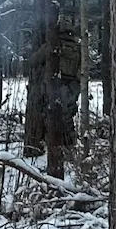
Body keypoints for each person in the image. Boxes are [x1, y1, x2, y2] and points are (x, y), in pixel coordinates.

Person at [27, 19, 82, 151]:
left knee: (51, 114)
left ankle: (58, 144)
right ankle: (69, 144)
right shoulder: (78, 47)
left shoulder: (52, 45)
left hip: (57, 85)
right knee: (68, 116)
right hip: (73, 86)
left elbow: (33, 61)